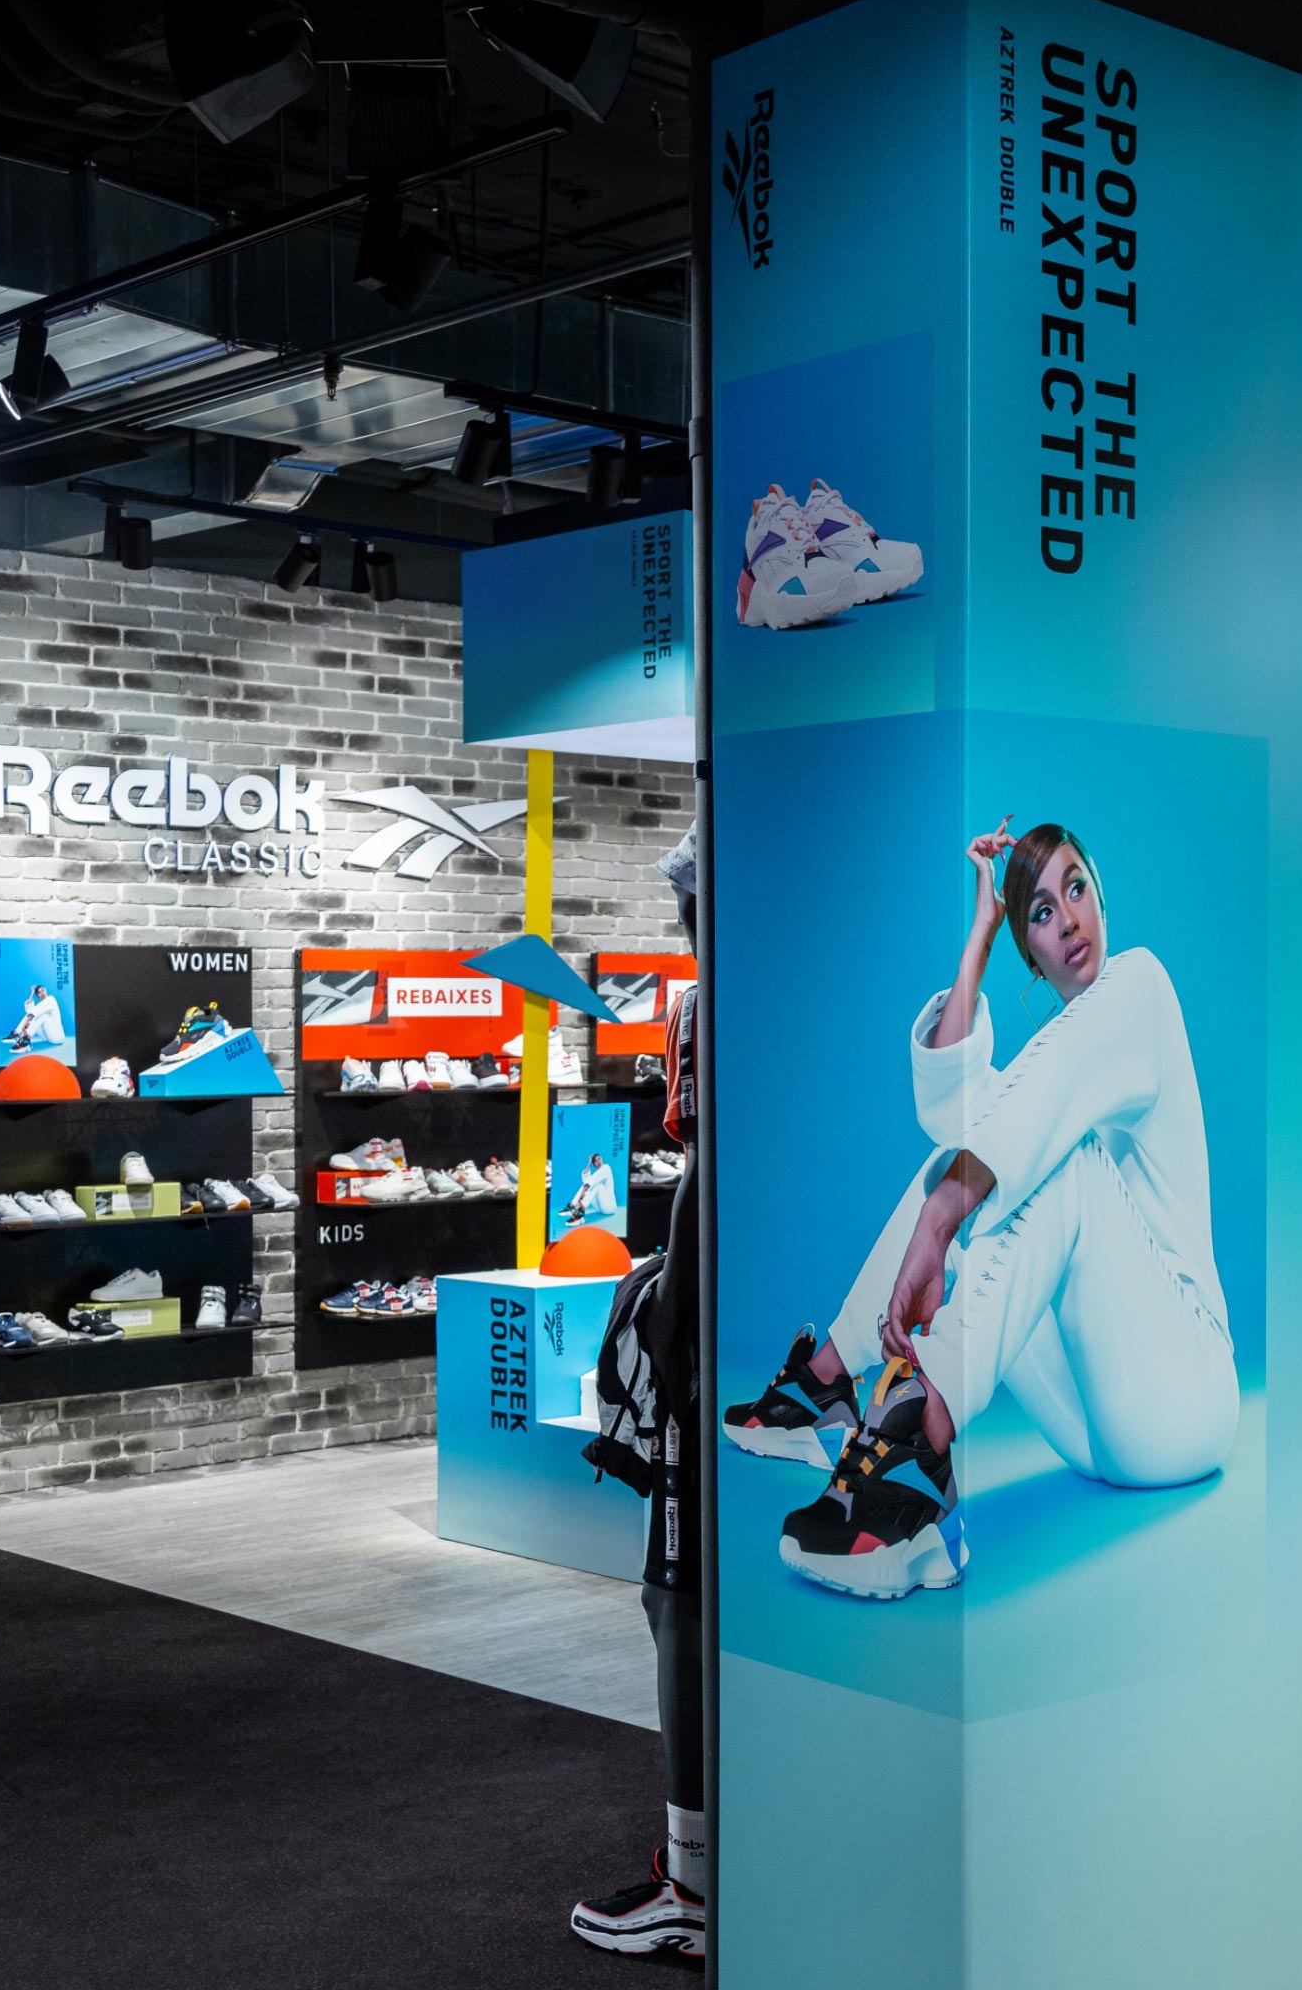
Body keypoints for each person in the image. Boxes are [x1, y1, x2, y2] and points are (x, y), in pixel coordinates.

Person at [724, 820, 1239, 1601]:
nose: (1068, 919)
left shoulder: (1144, 994)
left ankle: (922, 1441)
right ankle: (827, 1383)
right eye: (1041, 913)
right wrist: (979, 939)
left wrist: (939, 1224)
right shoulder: (1048, 1073)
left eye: (1076, 888)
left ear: (1100, 898)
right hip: (1092, 1427)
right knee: (963, 1159)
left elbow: (1022, 1122)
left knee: (1042, 1167)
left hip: (1187, 1402)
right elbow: (956, 1115)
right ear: (1029, 949)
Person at [570, 825, 705, 1960]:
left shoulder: (713, 1008)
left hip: (713, 1368)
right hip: (773, 1344)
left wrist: (665, 1319)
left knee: (680, 1604)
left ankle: (694, 1885)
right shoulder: (795, 1001)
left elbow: (706, 1182)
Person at [562, 1151, 618, 1226]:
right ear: (594, 1164)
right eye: (595, 1161)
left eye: (599, 1158)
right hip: (599, 1208)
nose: (598, 1161)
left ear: (602, 1159)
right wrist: (589, 1162)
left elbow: (591, 1181)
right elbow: (586, 1181)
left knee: (596, 1185)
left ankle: (580, 1212)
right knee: (587, 1184)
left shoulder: (606, 1168)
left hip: (609, 1207)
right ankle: (572, 1206)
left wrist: (582, 1193)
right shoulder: (596, 1174)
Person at [8, 983, 65, 1051]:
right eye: (39, 992)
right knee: (31, 1016)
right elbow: (29, 1011)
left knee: (42, 1016)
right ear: (38, 996)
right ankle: (17, 1035)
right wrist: (32, 993)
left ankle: (25, 1040)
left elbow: (33, 1013)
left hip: (57, 1037)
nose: (42, 993)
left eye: (43, 990)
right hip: (46, 1037)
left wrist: (26, 1023)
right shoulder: (40, 1006)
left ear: (45, 990)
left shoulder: (51, 999)